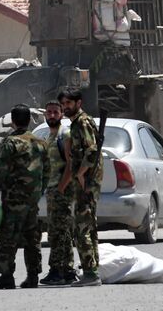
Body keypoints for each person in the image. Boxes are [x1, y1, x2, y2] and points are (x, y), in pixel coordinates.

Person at [0, 104, 49, 290]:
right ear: (29, 120)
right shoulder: (41, 143)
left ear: (12, 122)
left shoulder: (10, 143)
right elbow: (47, 173)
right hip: (32, 200)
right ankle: (32, 276)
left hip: (13, 199)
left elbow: (0, 172)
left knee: (8, 238)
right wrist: (38, 191)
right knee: (32, 238)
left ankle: (6, 276)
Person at [58, 87, 103, 287]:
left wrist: (80, 174)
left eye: (68, 103)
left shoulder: (82, 122)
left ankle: (91, 273)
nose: (65, 107)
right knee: (89, 227)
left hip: (87, 181)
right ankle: (93, 270)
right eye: (63, 104)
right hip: (86, 181)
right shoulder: (77, 123)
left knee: (82, 228)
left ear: (78, 103)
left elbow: (92, 150)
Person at [39, 100, 77, 286]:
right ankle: (68, 270)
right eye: (49, 112)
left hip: (62, 190)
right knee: (61, 231)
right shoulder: (49, 137)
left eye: (55, 112)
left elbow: (71, 164)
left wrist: (62, 187)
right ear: (45, 115)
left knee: (57, 232)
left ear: (61, 114)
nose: (52, 115)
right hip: (52, 190)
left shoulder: (65, 134)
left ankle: (55, 270)